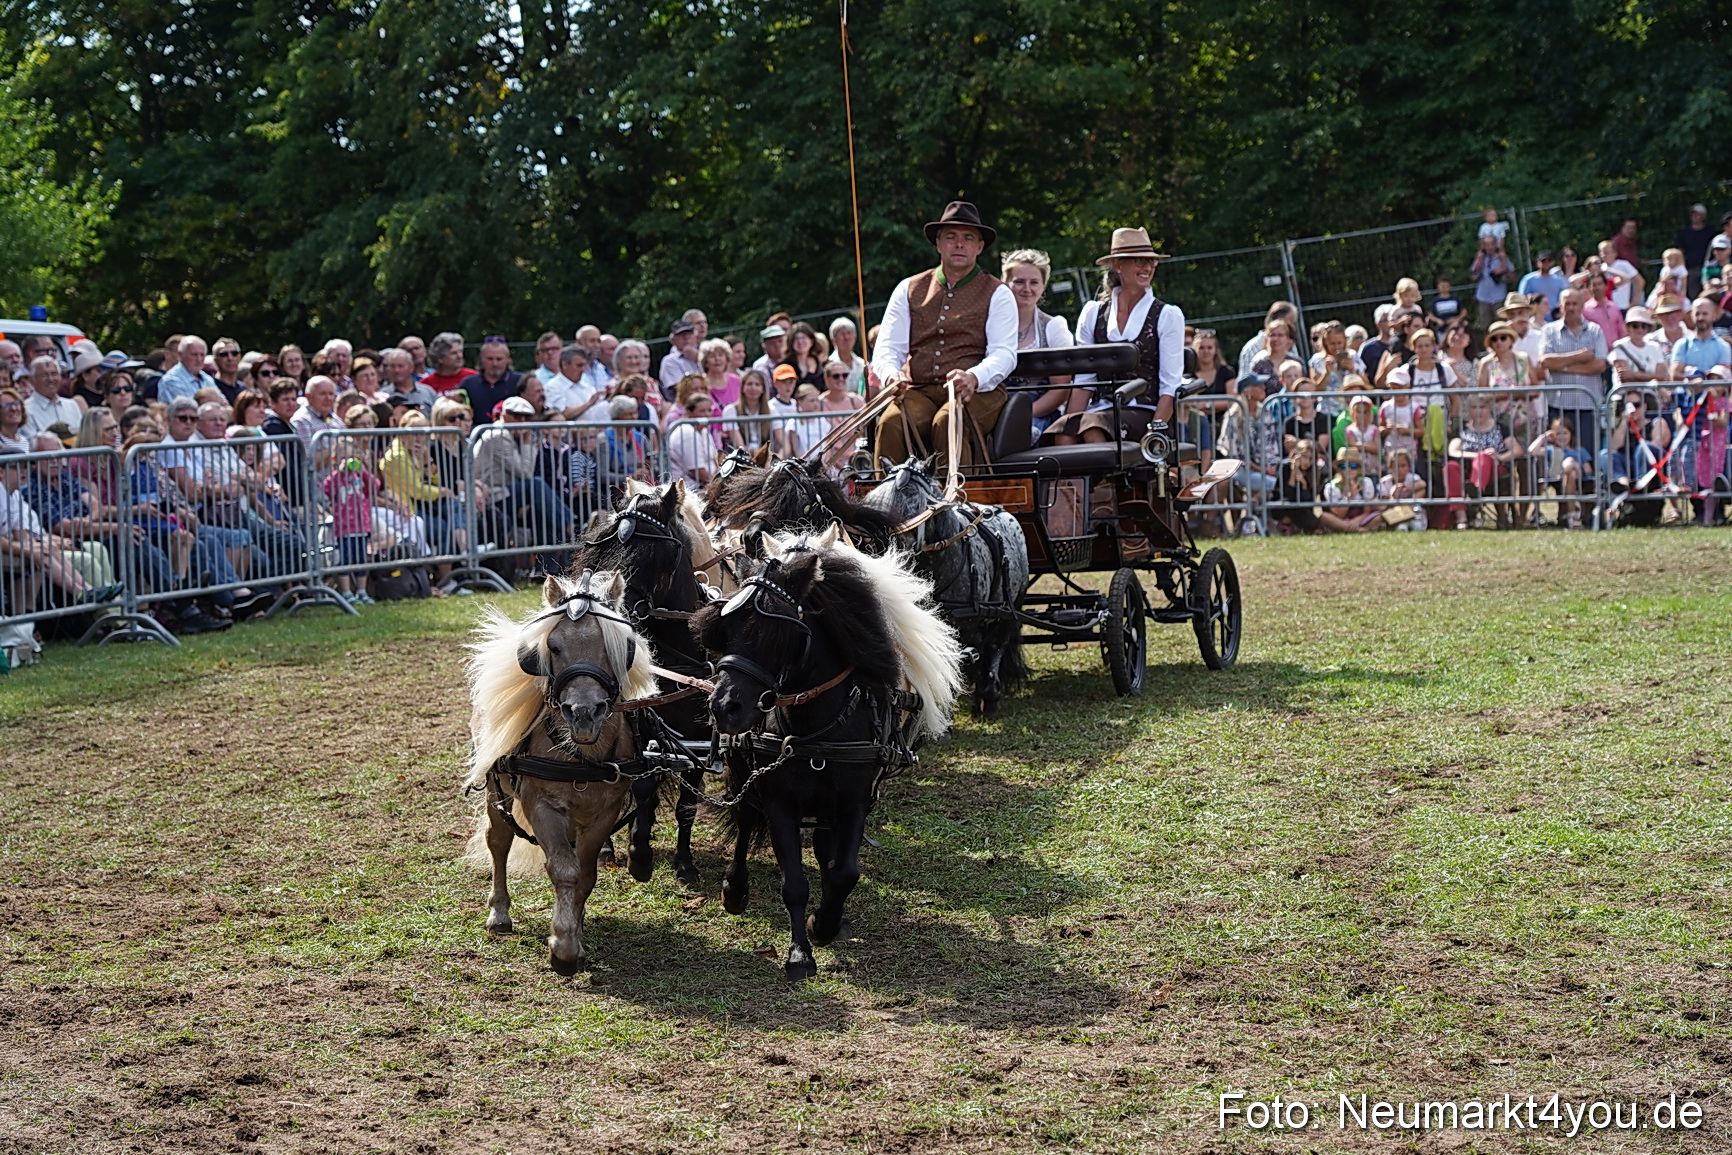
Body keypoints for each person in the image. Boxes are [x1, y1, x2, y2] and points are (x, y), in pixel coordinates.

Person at [871, 201, 1018, 468]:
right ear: (938, 244)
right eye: (951, 237)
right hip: (920, 390)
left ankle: (959, 493)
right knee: (891, 422)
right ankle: (882, 495)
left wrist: (974, 377)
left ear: (979, 247)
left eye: (968, 238)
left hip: (980, 391)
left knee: (949, 421)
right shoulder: (908, 288)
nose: (959, 244)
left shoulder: (998, 293)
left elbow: (1004, 354)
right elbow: (888, 347)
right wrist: (891, 375)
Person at [1044, 228, 1185, 446]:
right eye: (1139, 261)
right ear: (1118, 265)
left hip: (1146, 412)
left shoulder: (1166, 315)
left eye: (1151, 262)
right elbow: (1085, 379)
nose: (1148, 268)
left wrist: (1154, 431)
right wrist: (1069, 423)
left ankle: (1107, 471)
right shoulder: (1093, 313)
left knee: (1093, 428)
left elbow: (1170, 385)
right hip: (1100, 410)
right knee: (1064, 434)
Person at [1001, 248, 1074, 436]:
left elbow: (1061, 390)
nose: (1027, 289)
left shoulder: (1053, 327)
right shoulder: (992, 325)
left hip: (1037, 414)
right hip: (995, 410)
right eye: (1019, 282)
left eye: (1034, 282)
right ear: (1006, 283)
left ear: (1043, 286)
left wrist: (1021, 415)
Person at [1539, 288, 1610, 462]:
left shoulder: (1595, 331)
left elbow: (1600, 364)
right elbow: (1546, 361)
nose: (1571, 308)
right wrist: (1580, 357)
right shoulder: (1549, 331)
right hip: (1559, 406)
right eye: (1567, 304)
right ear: (1560, 306)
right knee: (1558, 460)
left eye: (1574, 304)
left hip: (1588, 405)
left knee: (1588, 459)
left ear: (1582, 306)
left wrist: (1563, 367)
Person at [1448, 393, 1522, 529]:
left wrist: (1499, 457)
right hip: (1468, 471)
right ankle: (1462, 518)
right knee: (1450, 467)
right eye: (1474, 407)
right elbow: (1453, 451)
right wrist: (1477, 455)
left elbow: (1517, 450)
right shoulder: (1463, 429)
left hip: (1495, 470)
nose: (1478, 411)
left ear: (1489, 409)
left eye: (1482, 407)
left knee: (1485, 458)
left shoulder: (1500, 428)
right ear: (1469, 410)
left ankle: (1476, 494)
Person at [1530, 416, 1591, 528]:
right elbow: (1532, 451)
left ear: (1571, 434)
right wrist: (1544, 437)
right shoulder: (1551, 449)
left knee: (1570, 462)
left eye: (1565, 433)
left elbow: (1588, 470)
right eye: (1558, 434)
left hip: (1579, 476)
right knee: (1570, 473)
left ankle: (1564, 470)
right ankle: (1573, 515)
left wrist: (1575, 466)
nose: (1562, 437)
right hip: (1560, 479)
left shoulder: (1579, 450)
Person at [22, 356, 84, 440]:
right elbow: (31, 443)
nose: (50, 379)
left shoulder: (72, 405)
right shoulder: (26, 409)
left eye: (54, 374)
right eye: (44, 375)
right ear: (32, 380)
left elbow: (81, 437)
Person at [1323, 445, 1381, 531]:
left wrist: (1355, 521)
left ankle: (1350, 528)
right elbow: (1338, 515)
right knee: (1324, 517)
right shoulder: (1331, 486)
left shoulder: (1366, 482)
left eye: (1353, 466)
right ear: (1338, 469)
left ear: (1358, 468)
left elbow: (1367, 511)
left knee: (1379, 516)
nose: (1348, 469)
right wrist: (1349, 497)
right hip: (1341, 519)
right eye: (1344, 466)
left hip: (1362, 518)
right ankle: (1360, 530)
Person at [667, 391, 718, 487]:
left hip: (707, 484)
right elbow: (699, 472)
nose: (707, 414)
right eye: (702, 411)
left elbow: (715, 459)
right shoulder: (687, 432)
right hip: (690, 488)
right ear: (689, 412)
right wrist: (718, 485)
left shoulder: (704, 430)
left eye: (709, 410)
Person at [1237, 301, 1300, 379]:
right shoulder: (1252, 348)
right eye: (1291, 323)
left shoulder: (1290, 345)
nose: (1293, 327)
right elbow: (1245, 380)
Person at [1611, 307, 1667, 385]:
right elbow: (1625, 378)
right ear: (1627, 327)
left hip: (1651, 391)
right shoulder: (1619, 346)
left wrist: (1634, 374)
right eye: (1635, 326)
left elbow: (1661, 376)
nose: (1639, 329)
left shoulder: (1655, 347)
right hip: (1626, 391)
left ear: (1648, 329)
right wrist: (1652, 378)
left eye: (1644, 326)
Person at [1470, 235, 1516, 330]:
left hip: (1499, 297)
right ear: (1483, 246)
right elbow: (1473, 278)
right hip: (1484, 298)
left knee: (1502, 325)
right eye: (1487, 245)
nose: (1490, 247)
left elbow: (1513, 278)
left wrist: (1503, 268)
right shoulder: (1480, 258)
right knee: (1485, 327)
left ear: (1496, 245)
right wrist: (1479, 260)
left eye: (1492, 244)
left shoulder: (1502, 258)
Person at [722, 369, 772, 453]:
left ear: (763, 389)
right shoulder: (730, 410)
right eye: (749, 384)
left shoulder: (771, 410)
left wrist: (779, 456)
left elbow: (784, 443)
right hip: (741, 457)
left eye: (757, 384)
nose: (753, 388)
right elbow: (739, 445)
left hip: (765, 457)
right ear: (742, 388)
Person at [1378, 447, 1428, 530]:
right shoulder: (1385, 482)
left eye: (1403, 466)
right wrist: (1392, 494)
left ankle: (1413, 517)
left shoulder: (1413, 478)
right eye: (1396, 466)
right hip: (1395, 512)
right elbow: (1384, 502)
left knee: (1421, 491)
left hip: (1412, 511)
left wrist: (1406, 488)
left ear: (1409, 466)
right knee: (1401, 527)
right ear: (1390, 467)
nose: (1400, 469)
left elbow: (1423, 484)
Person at [1518, 252, 1569, 321]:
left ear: (1553, 262)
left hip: (1555, 319)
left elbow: (1563, 299)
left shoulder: (1559, 280)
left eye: (1549, 260)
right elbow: (1521, 298)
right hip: (1535, 319)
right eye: (1543, 261)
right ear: (1538, 263)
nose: (1546, 263)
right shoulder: (1528, 279)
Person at [1578, 270, 1626, 344]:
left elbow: (1621, 331)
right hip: (1595, 349)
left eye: (1600, 284)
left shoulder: (1614, 307)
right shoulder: (1585, 310)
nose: (1597, 287)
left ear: (1606, 286)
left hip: (1616, 349)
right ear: (1589, 288)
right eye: (1594, 285)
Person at [658, 318, 702, 397]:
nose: (686, 337)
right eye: (681, 334)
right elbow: (680, 389)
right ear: (673, 339)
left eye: (689, 333)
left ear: (695, 336)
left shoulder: (704, 354)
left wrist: (699, 358)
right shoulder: (669, 361)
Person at [1677, 204, 1714, 295]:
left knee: (1710, 293)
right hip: (1691, 269)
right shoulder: (1684, 233)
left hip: (1709, 269)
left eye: (1698, 214)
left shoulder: (1711, 232)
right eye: (1693, 214)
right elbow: (1680, 251)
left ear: (1704, 216)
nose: (1695, 216)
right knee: (1693, 295)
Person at [1597, 239, 1643, 312]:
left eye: (1606, 253)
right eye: (1601, 252)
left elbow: (1640, 281)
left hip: (1623, 306)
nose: (1603, 255)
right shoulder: (1600, 268)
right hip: (1607, 307)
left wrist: (1634, 302)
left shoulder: (1624, 264)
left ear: (1615, 253)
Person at [827, 316, 868, 397]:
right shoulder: (829, 364)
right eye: (842, 334)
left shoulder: (862, 364)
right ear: (833, 339)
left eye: (849, 333)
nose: (846, 337)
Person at [697, 337, 740, 409]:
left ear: (727, 360)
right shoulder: (700, 384)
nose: (717, 359)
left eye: (721, 355)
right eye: (712, 356)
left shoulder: (736, 381)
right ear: (705, 362)